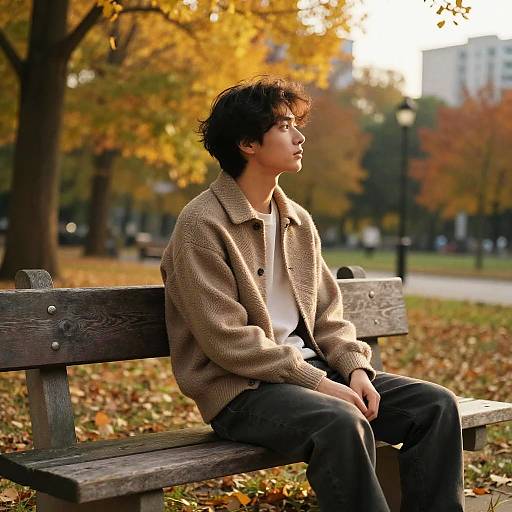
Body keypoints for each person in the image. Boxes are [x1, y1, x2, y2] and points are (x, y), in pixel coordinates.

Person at [160, 77, 464, 511]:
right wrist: (321, 383)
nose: (300, 136)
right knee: (341, 422)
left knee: (435, 406)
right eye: (284, 126)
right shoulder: (201, 225)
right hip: (241, 393)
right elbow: (227, 340)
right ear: (248, 142)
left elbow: (328, 317)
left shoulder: (297, 220)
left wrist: (356, 370)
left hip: (314, 374)